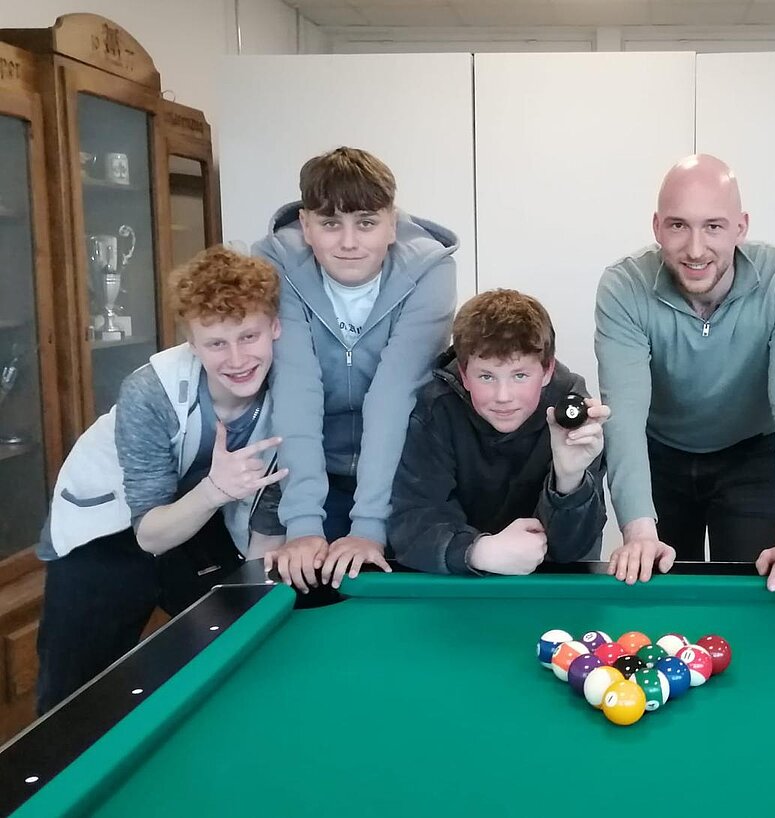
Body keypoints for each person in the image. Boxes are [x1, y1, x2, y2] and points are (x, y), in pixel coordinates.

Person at [36, 246, 285, 713]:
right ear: (192, 344)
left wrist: (255, 608)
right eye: (216, 344)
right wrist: (216, 489)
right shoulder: (149, 391)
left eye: (249, 336)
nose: (237, 359)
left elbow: (266, 532)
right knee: (72, 700)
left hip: (201, 519)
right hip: (108, 533)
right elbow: (149, 535)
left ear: (275, 327)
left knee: (236, 644)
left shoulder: (295, 394)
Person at [595, 154, 775, 598]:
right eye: (678, 225)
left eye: (714, 226)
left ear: (741, 227)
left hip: (752, 456)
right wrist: (639, 532)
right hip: (660, 455)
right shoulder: (623, 286)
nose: (696, 249)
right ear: (657, 227)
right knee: (659, 600)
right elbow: (623, 416)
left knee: (761, 598)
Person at [252, 147, 457, 591]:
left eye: (366, 223)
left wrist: (368, 527)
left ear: (391, 224)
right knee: (303, 588)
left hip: (400, 473)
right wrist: (303, 525)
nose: (349, 242)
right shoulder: (276, 265)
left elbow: (394, 394)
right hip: (309, 469)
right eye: (330, 224)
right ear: (306, 225)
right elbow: (296, 389)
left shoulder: (433, 269)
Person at [390, 289, 608, 576]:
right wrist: (478, 551)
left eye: (520, 375)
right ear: (464, 375)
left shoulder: (574, 416)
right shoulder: (436, 408)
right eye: (486, 376)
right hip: (459, 582)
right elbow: (412, 521)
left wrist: (569, 480)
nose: (503, 396)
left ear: (546, 371)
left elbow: (573, 551)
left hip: (546, 583)